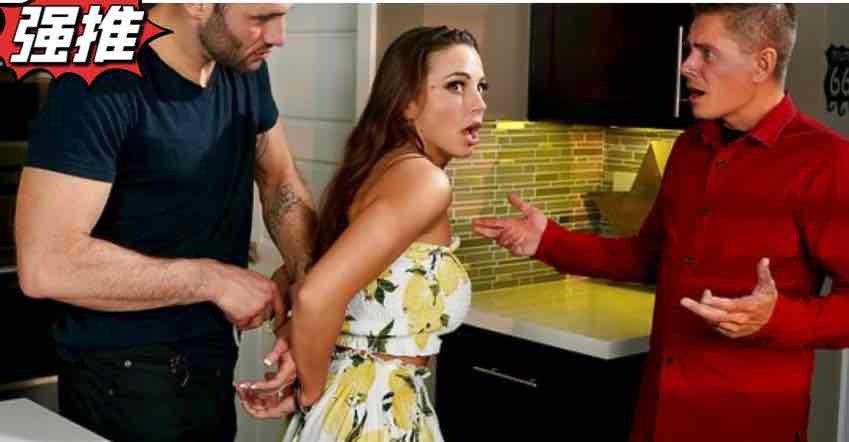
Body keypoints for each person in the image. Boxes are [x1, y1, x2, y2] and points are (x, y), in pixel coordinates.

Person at [474, 4, 849, 442]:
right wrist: (548, 241)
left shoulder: (827, 162)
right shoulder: (690, 148)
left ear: (762, 64)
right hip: (659, 416)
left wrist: (777, 317)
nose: (686, 66)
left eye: (707, 53)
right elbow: (646, 257)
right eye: (690, 50)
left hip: (748, 426)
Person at [15, 4, 313, 441]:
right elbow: (46, 265)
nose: (279, 36)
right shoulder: (96, 82)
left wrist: (307, 299)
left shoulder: (242, 65)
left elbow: (279, 179)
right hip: (122, 379)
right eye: (260, 18)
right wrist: (210, 279)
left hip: (209, 362)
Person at [236, 26, 486, 442]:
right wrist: (309, 394)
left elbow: (313, 280)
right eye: (456, 86)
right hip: (374, 413)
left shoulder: (382, 169)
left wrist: (316, 398)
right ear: (406, 103)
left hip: (356, 402)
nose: (478, 103)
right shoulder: (425, 181)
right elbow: (315, 295)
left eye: (480, 86)